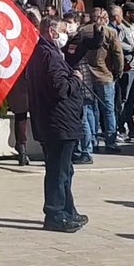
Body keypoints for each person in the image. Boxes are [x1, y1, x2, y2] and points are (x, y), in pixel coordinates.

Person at [27, 17, 86, 233]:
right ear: (52, 32)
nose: (66, 34)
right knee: (57, 171)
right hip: (58, 123)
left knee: (65, 170)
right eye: (62, 30)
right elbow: (60, 88)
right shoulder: (48, 55)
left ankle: (68, 209)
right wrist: (76, 79)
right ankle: (55, 213)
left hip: (58, 122)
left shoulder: (47, 52)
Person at [71, 7, 123, 162]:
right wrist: (118, 72)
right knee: (108, 110)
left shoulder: (81, 31)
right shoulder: (109, 32)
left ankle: (91, 141)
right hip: (104, 75)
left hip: (85, 75)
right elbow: (118, 54)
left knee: (89, 110)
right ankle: (110, 142)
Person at [113, 3, 134, 141]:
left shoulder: (132, 27)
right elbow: (118, 44)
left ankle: (131, 127)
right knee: (123, 99)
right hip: (128, 67)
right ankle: (120, 127)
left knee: (132, 100)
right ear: (127, 13)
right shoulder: (121, 28)